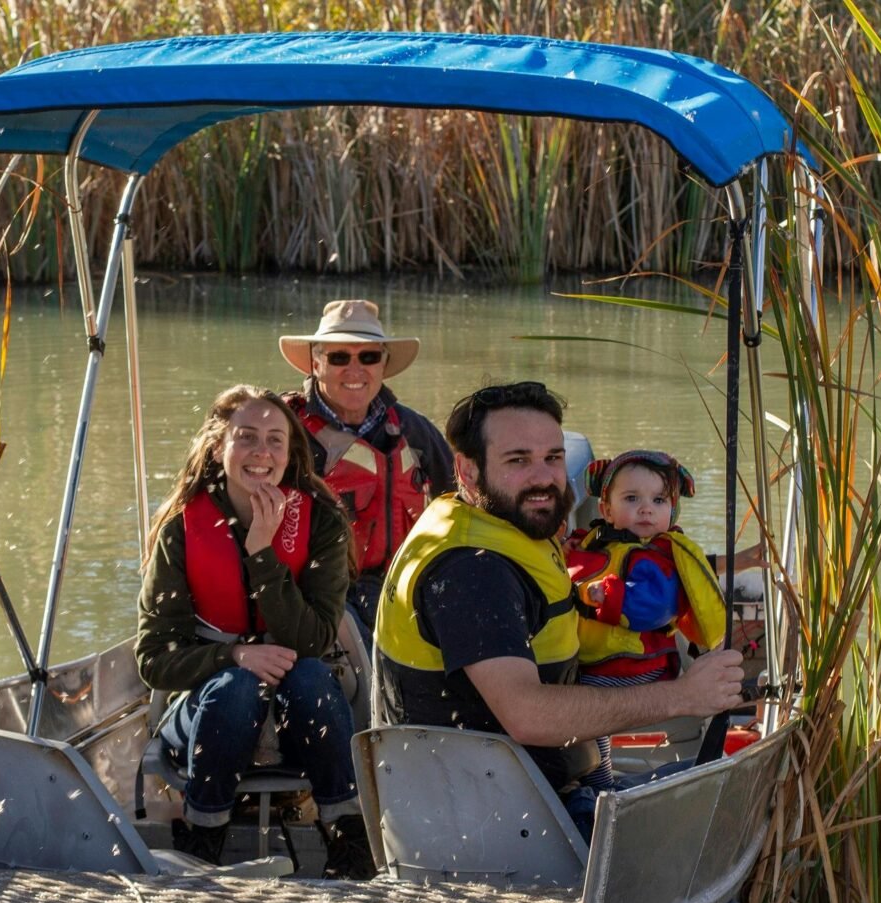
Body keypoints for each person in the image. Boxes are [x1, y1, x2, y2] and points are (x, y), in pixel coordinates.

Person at [374, 381, 744, 805]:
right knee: (736, 793)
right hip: (498, 821)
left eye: (553, 457)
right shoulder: (471, 571)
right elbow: (529, 715)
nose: (544, 478)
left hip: (544, 793)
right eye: (518, 460)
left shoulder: (505, 525)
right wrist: (684, 695)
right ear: (468, 471)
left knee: (731, 779)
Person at [134, 385, 374, 879]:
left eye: (275, 441)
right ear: (219, 447)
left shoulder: (323, 523)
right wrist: (234, 658)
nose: (261, 452)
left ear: (290, 456)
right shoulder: (182, 530)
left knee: (309, 677)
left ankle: (350, 846)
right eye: (246, 438)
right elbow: (154, 658)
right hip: (209, 706)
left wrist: (262, 554)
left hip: (302, 706)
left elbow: (311, 642)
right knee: (236, 689)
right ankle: (202, 841)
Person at [567, 449, 746, 793]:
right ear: (606, 510)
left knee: (578, 712)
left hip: (635, 667)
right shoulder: (597, 543)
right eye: (632, 498)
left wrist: (608, 597)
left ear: (671, 510)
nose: (646, 508)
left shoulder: (659, 558)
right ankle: (591, 778)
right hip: (602, 661)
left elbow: (653, 607)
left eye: (659, 500)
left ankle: (598, 783)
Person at [280, 299, 454, 639]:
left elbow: (459, 501)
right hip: (315, 591)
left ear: (384, 364)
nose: (355, 370)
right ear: (316, 363)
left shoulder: (413, 429)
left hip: (401, 583)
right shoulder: (284, 431)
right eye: (339, 357)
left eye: (369, 357)